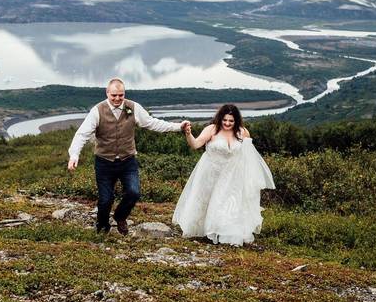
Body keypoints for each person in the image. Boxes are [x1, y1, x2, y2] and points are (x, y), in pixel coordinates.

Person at [68, 78, 188, 234]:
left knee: (134, 192)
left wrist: (178, 127)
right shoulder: (97, 111)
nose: (117, 99)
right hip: (104, 162)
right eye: (114, 96)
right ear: (107, 93)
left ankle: (120, 216)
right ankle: (102, 225)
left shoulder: (133, 107)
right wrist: (74, 155)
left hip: (128, 161)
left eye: (121, 95)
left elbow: (152, 123)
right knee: (105, 199)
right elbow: (82, 134)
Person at [173, 104, 275, 247]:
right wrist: (188, 134)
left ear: (236, 121)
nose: (227, 123)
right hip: (210, 172)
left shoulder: (243, 132)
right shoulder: (212, 129)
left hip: (232, 175)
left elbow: (248, 155)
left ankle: (224, 231)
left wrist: (249, 177)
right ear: (220, 118)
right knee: (205, 202)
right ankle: (205, 230)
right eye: (225, 120)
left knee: (228, 204)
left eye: (231, 121)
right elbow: (195, 145)